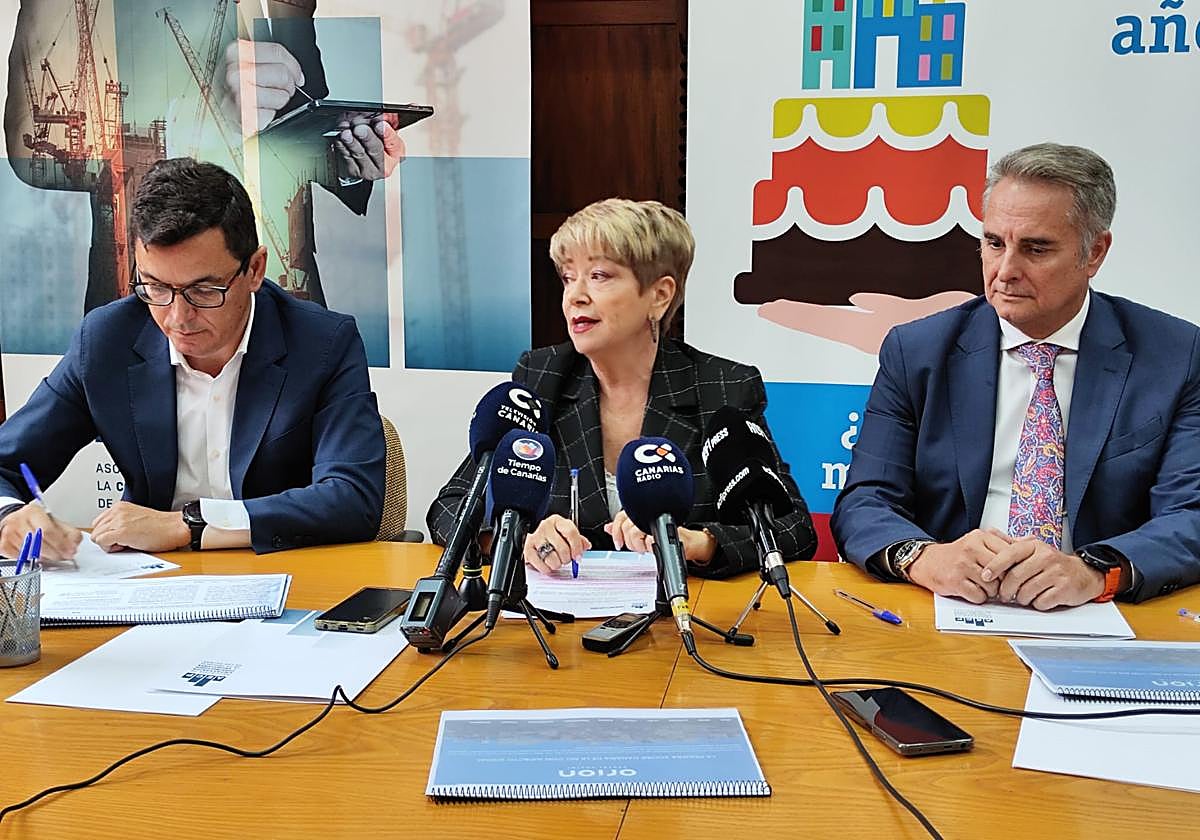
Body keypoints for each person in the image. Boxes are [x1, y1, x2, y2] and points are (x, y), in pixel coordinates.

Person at [831, 143, 1200, 607]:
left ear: (1095, 253)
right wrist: (925, 558)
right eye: (994, 244)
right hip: (953, 607)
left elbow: (1191, 514)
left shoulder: (1174, 355)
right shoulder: (918, 351)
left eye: (1035, 248)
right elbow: (866, 500)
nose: (1005, 271)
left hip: (1094, 610)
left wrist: (1094, 572)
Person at [0, 158, 385, 560]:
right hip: (150, 578)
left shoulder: (322, 344)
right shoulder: (106, 340)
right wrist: (9, 516)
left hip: (284, 568)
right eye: (155, 287)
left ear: (255, 269)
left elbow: (352, 497)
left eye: (203, 291)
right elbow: (6, 464)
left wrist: (190, 523)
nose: (177, 317)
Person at [428, 198, 816, 578]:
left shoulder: (721, 387)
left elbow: (794, 528)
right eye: (568, 278)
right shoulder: (542, 378)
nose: (575, 296)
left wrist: (699, 543)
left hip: (683, 612)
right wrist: (515, 538)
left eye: (599, 276)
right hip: (560, 611)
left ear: (659, 295)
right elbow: (450, 507)